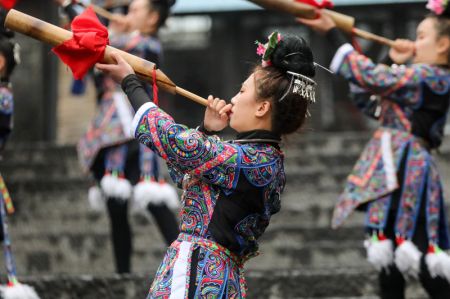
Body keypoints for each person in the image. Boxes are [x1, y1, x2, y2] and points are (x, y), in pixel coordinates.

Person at [96, 31, 317, 297]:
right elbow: (183, 172)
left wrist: (131, 84)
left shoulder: (254, 161)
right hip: (203, 272)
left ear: (261, 108)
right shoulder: (254, 156)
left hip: (199, 276)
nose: (233, 99)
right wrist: (206, 130)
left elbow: (174, 142)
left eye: (242, 90)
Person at [298, 1, 450, 298]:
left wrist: (333, 33)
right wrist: (389, 55)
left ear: (444, 45)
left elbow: (373, 78)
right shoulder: (413, 80)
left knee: (426, 266)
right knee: (388, 268)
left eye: (421, 37)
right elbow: (370, 99)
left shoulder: (435, 78)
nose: (415, 43)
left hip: (410, 178)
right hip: (389, 174)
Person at [54, 0, 180, 274]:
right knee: (115, 206)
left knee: (156, 201)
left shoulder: (147, 46)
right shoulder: (117, 41)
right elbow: (95, 58)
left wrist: (77, 10)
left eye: (135, 11)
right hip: (109, 135)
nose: (126, 15)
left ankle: (187, 260)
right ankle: (122, 274)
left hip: (136, 135)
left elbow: (103, 47)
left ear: (152, 19)